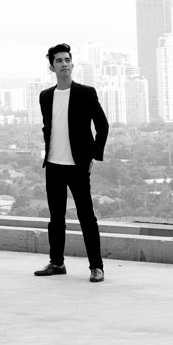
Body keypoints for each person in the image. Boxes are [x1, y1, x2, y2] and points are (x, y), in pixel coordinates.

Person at [35, 43, 109, 283]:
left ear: (72, 64)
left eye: (67, 60)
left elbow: (102, 125)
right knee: (56, 218)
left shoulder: (86, 93)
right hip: (53, 165)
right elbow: (48, 126)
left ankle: (96, 267)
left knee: (86, 216)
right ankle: (57, 263)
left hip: (77, 166)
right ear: (52, 67)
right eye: (59, 61)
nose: (64, 64)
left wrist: (93, 156)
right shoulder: (45, 96)